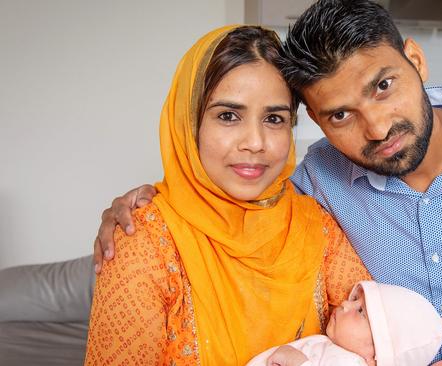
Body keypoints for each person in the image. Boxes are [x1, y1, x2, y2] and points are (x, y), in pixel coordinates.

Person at [94, 0, 442, 365]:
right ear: (313, 121)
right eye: (339, 115)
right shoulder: (318, 182)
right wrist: (142, 201)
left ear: (416, 60)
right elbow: (231, 203)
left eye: (384, 86)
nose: (377, 128)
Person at [84, 24, 371, 366]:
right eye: (228, 116)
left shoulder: (315, 226)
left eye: (274, 118)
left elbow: (379, 333)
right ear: (189, 124)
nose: (255, 142)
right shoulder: (143, 241)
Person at [246, 280, 442, 366]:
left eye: (360, 311)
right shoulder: (338, 353)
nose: (345, 304)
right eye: (354, 299)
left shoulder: (350, 362)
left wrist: (297, 362)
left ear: (375, 356)